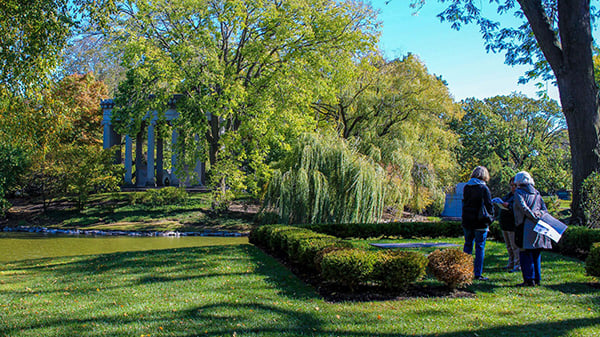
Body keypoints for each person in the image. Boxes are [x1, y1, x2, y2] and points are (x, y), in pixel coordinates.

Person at [513, 171, 552, 287]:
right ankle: (537, 279)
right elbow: (544, 209)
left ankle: (529, 279)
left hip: (524, 226)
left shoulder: (518, 192)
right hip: (538, 226)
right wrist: (538, 215)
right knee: (536, 253)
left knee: (525, 253)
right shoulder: (537, 193)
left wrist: (532, 215)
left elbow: (522, 207)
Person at [462, 166, 494, 281]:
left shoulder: (467, 187)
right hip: (480, 221)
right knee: (480, 247)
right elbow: (489, 205)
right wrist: (491, 219)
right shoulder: (483, 188)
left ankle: (465, 270)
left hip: (467, 221)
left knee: (468, 245)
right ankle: (477, 273)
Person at [498, 177, 520, 273]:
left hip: (512, 224)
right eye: (511, 185)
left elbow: (517, 209)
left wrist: (509, 206)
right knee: (508, 246)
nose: (513, 188)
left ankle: (517, 265)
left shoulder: (518, 197)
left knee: (515, 246)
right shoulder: (508, 196)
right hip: (504, 224)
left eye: (514, 185)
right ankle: (510, 263)